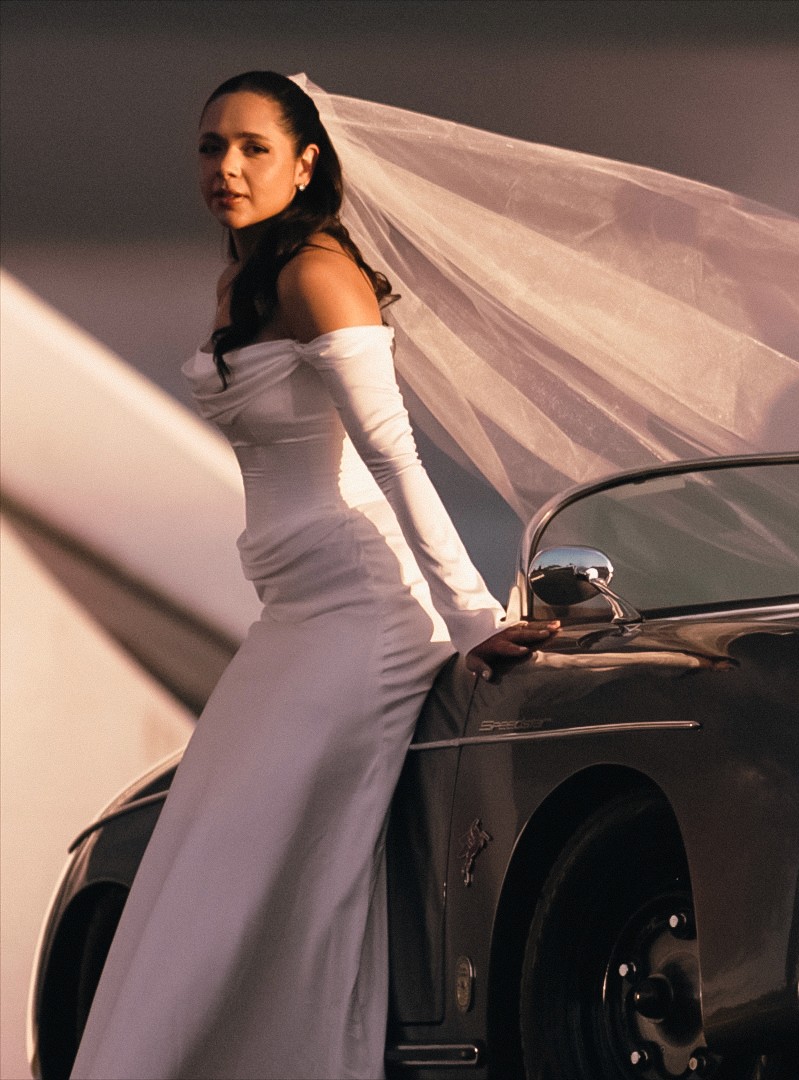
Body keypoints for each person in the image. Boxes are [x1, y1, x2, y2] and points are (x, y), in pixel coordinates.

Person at [71, 71, 557, 1078]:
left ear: (306, 163)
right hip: (291, 617)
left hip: (360, 619)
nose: (227, 168)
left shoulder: (316, 274)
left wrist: (470, 619)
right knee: (203, 871)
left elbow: (394, 456)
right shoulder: (245, 278)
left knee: (233, 882)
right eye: (212, 148)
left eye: (253, 147)